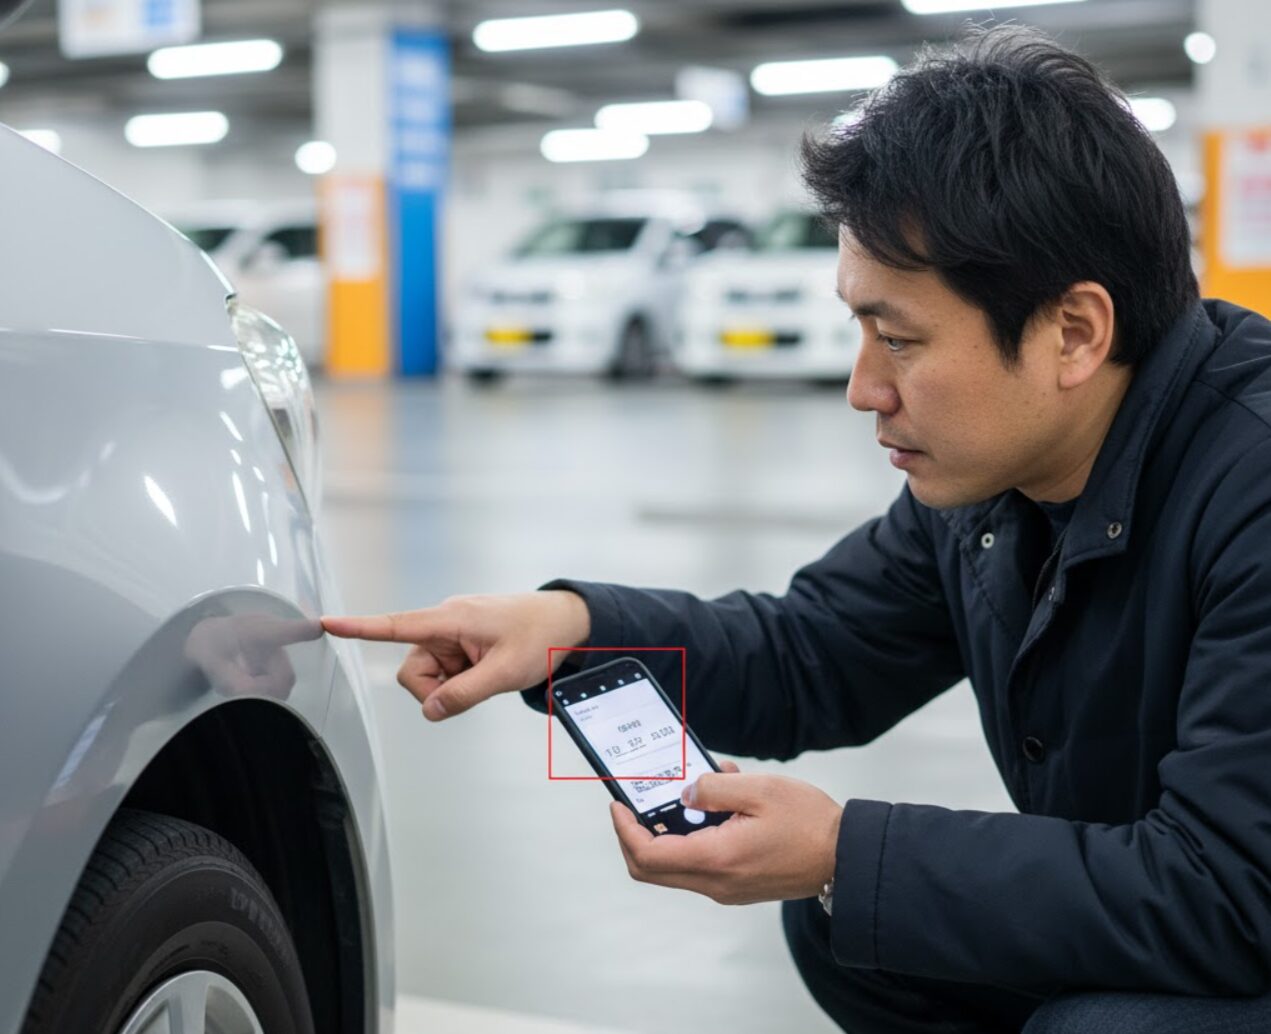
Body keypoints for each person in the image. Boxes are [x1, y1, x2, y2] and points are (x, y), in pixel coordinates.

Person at [323, 25, 1271, 1034]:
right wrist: (570, 628)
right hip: (1202, 905)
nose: (864, 388)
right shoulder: (996, 478)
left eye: (899, 339)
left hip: (1236, 913)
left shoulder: (1247, 480)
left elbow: (1226, 893)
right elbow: (809, 650)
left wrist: (842, 849)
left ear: (1073, 332)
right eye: (859, 331)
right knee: (852, 923)